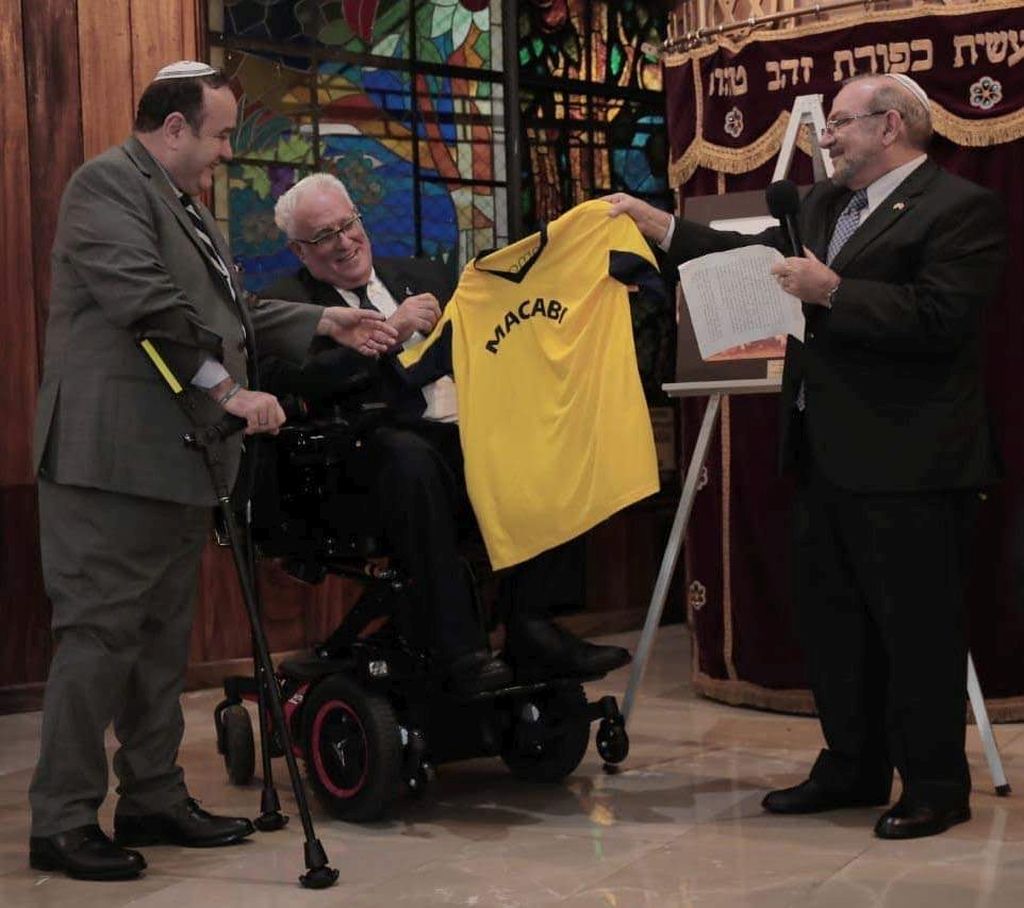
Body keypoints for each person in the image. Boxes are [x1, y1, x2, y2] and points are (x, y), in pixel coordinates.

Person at [606, 73, 1006, 839]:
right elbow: (744, 257)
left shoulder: (961, 207)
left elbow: (945, 317)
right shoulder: (821, 205)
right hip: (822, 452)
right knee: (834, 624)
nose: (829, 136)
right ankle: (852, 765)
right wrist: (659, 226)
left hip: (914, 461)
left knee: (916, 629)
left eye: (844, 123)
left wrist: (832, 292)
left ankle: (934, 785)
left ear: (891, 126)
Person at [28, 62, 396, 881]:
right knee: (97, 641)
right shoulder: (105, 188)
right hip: (108, 463)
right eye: (223, 133)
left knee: (159, 644)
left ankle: (153, 795)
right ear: (174, 129)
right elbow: (147, 303)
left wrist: (327, 320)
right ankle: (59, 820)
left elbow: (228, 308)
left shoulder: (185, 206)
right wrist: (228, 390)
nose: (229, 151)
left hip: (174, 464)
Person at [260, 173, 632, 688]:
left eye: (348, 224)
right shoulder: (284, 304)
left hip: (464, 435)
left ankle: (532, 625)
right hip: (367, 457)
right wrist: (396, 335)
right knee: (407, 455)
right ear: (300, 251)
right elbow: (303, 381)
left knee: (549, 436)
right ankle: (459, 649)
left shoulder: (422, 275)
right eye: (324, 236)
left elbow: (488, 339)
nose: (344, 242)